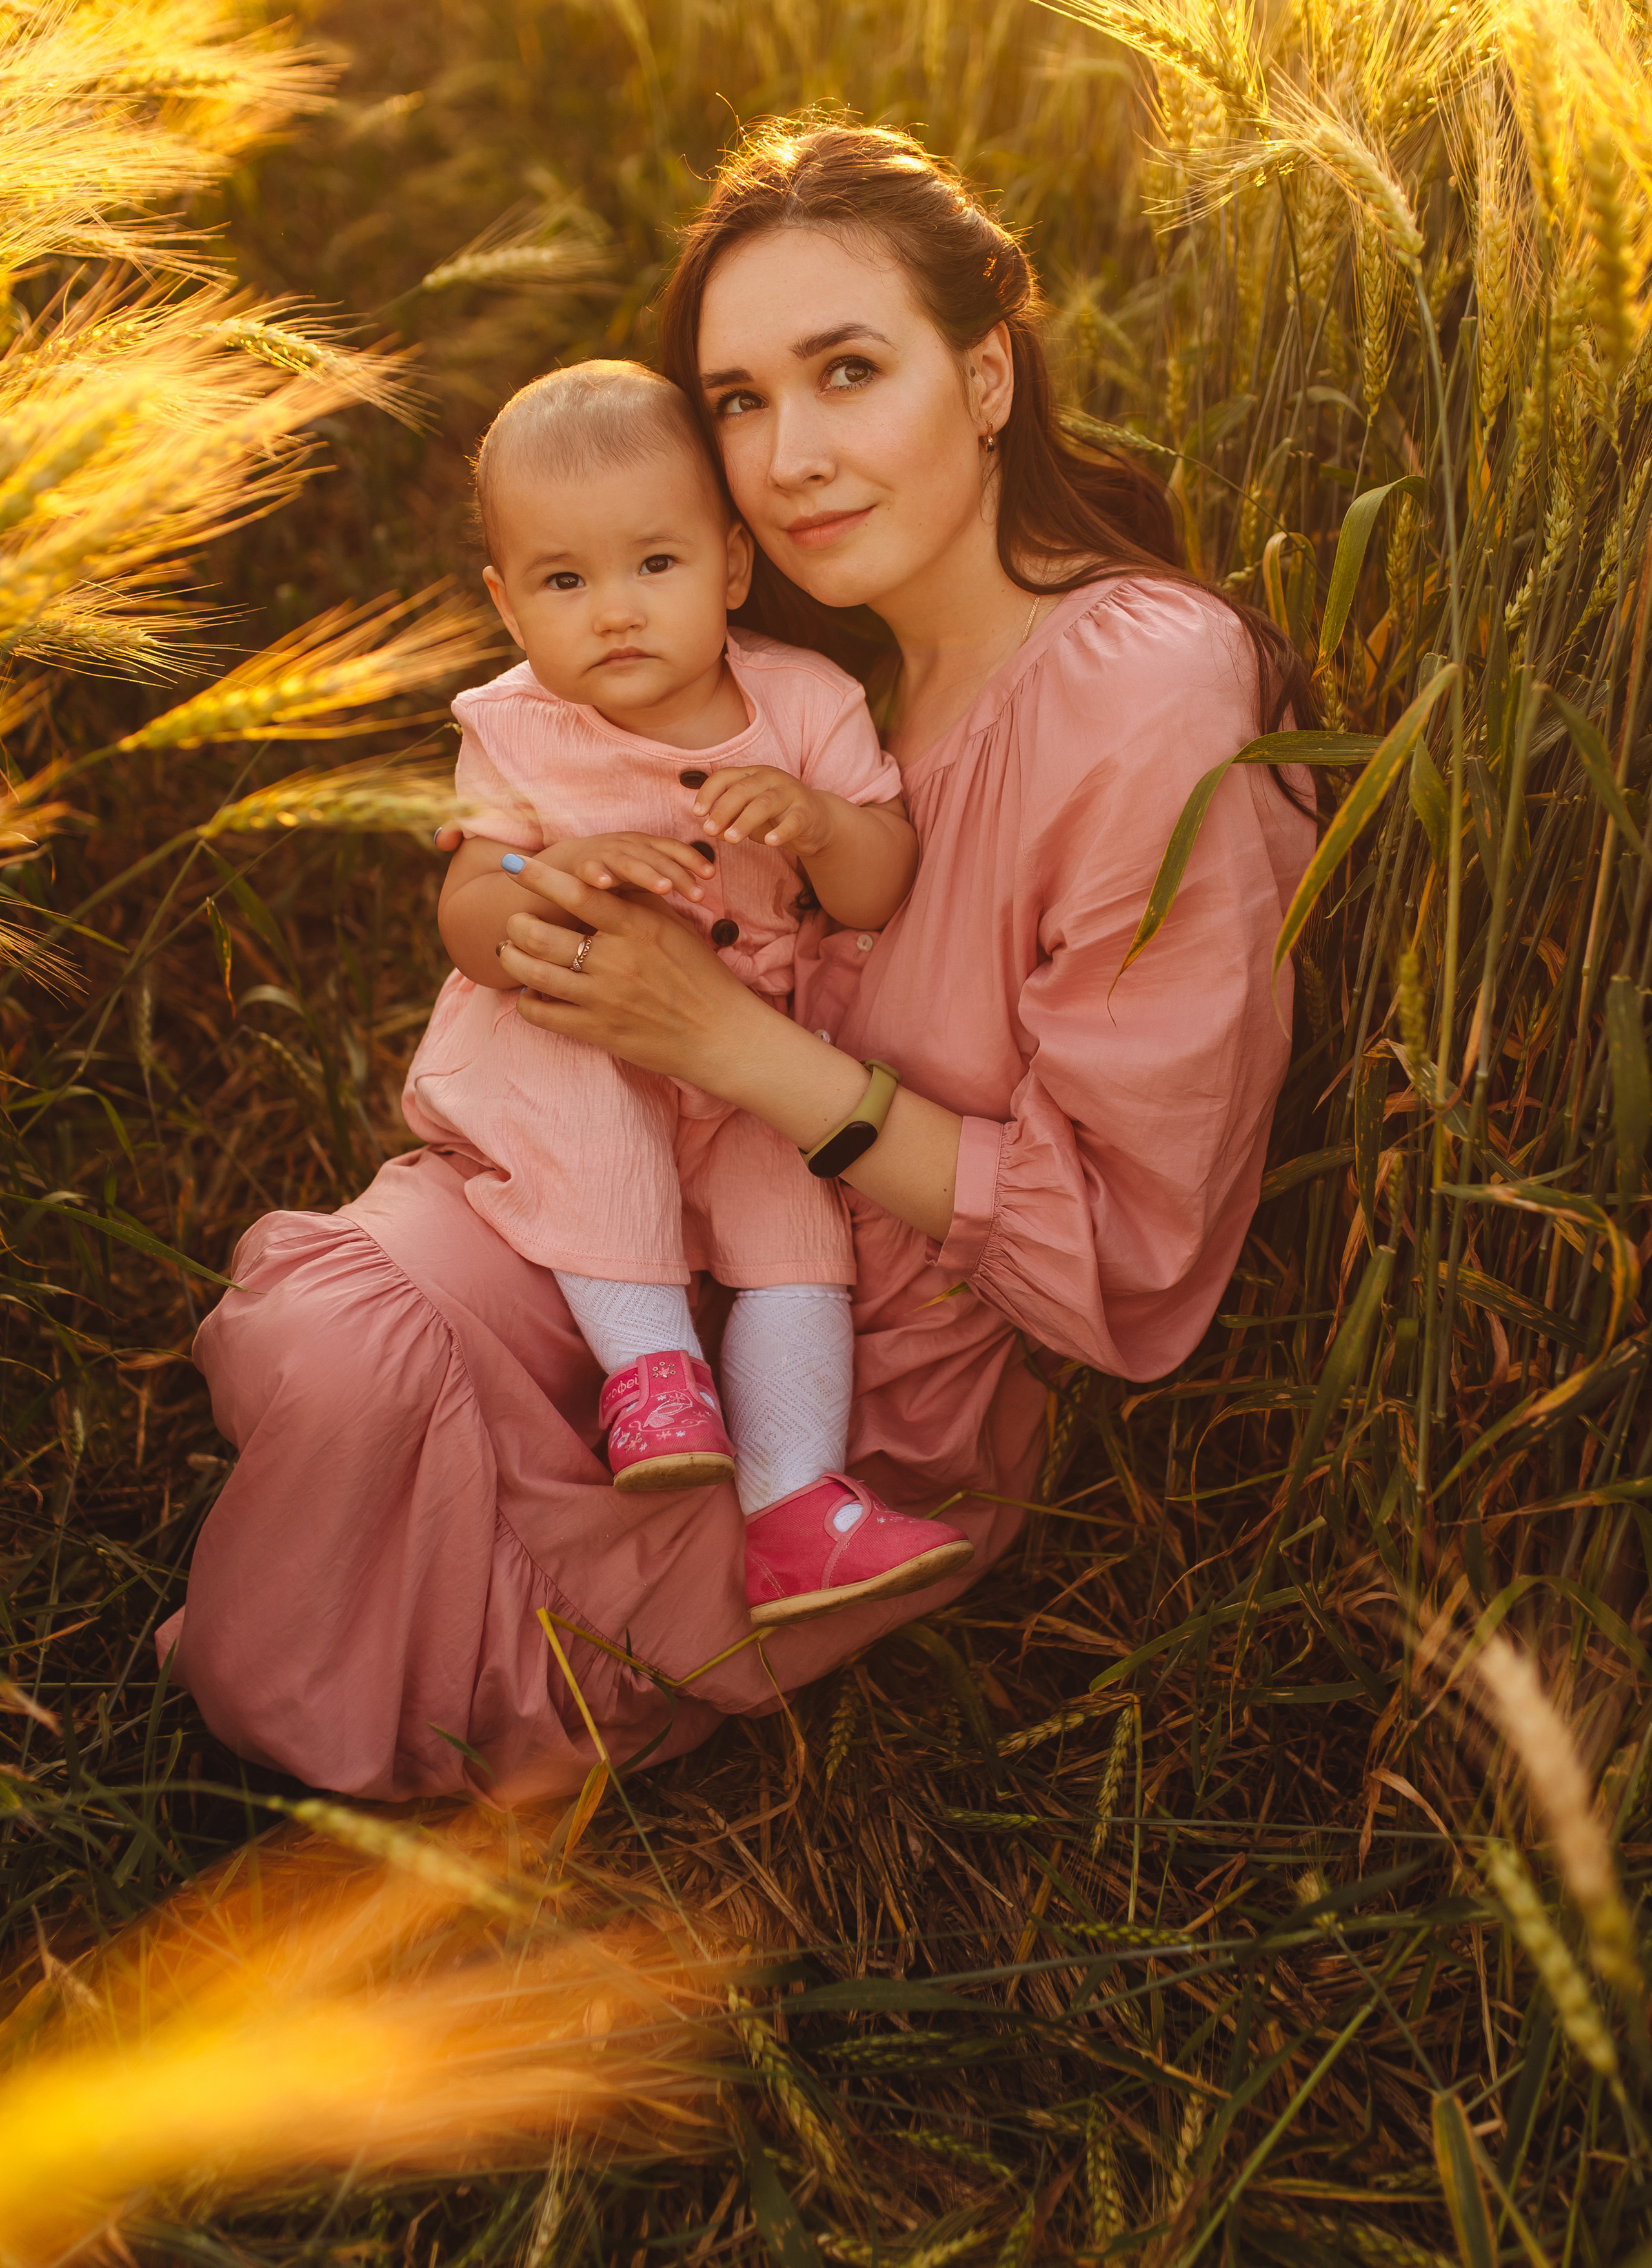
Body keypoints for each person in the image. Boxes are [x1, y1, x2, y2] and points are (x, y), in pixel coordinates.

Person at [156, 119, 1317, 1804]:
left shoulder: (1142, 692)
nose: (790, 457)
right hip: (628, 1215)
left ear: (987, 377)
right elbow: (517, 836)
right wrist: (546, 913)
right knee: (334, 1352)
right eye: (742, 404)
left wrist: (733, 1046)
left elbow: (1128, 1253)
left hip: (857, 1374)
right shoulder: (804, 666)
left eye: (850, 371)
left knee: (433, 1677)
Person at [408, 357, 971, 1625]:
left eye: (652, 567)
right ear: (507, 605)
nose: (613, 612)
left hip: (751, 1051)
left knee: (795, 1241)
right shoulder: (512, 730)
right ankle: (652, 1375)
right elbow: (469, 907)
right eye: (564, 581)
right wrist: (545, 872)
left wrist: (823, 827)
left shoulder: (805, 705)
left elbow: (879, 885)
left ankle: (792, 1507)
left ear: (729, 567)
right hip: (573, 1045)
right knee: (596, 1145)